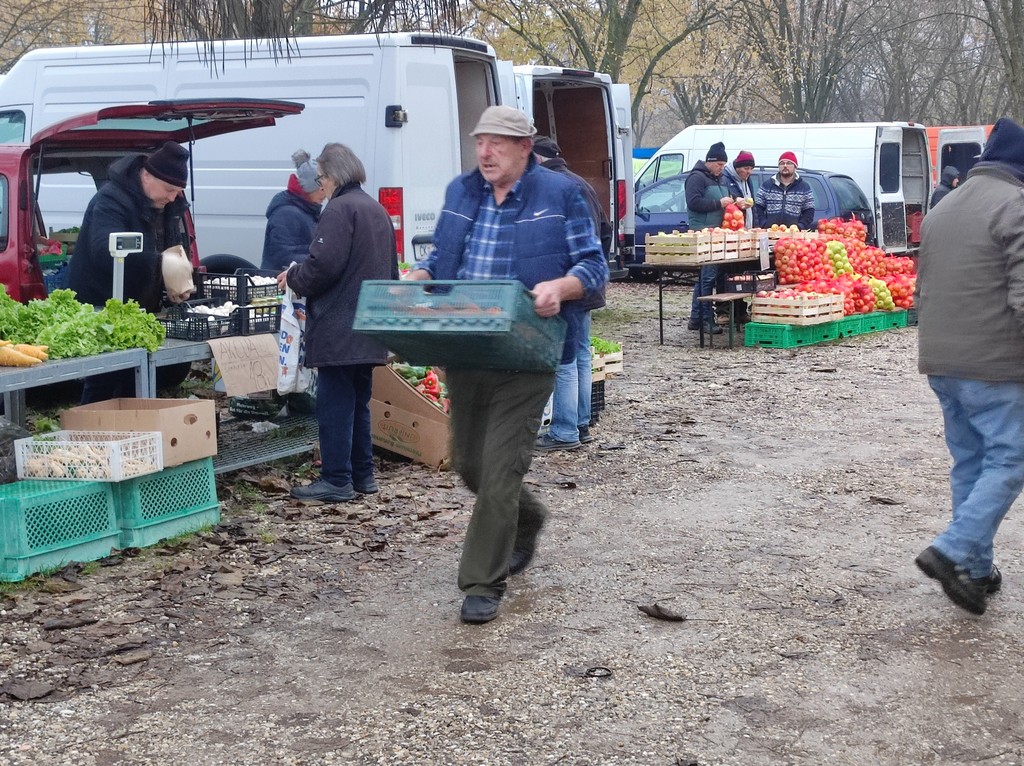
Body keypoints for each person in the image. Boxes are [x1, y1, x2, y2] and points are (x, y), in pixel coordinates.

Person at [407, 106, 608, 624]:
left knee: (499, 471)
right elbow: (443, 260)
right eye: (480, 142)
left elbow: (593, 266)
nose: (486, 152)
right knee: (470, 466)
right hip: (466, 348)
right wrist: (423, 272)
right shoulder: (460, 192)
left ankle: (481, 583)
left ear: (525, 147)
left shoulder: (560, 195)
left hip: (528, 350)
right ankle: (529, 515)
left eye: (497, 143)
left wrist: (561, 287)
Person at [913, 117, 1024, 616]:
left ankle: (975, 571)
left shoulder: (945, 205)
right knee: (1011, 458)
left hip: (941, 360)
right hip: (994, 363)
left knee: (972, 462)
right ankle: (954, 549)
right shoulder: (1016, 206)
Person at [279, 143, 398, 503]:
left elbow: (322, 267)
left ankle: (335, 479)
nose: (321, 186)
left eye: (322, 179)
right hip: (368, 326)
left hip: (339, 327)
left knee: (334, 406)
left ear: (333, 176)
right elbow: (390, 272)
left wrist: (294, 275)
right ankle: (363, 475)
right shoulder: (375, 209)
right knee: (358, 403)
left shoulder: (339, 210)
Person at [67, 140, 192, 403]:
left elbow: (173, 248)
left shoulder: (169, 205)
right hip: (101, 302)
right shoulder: (111, 199)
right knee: (103, 379)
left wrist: (173, 281)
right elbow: (104, 250)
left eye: (178, 191)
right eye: (169, 189)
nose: (172, 197)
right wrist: (160, 264)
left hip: (138, 306)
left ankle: (129, 435)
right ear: (147, 176)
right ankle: (89, 435)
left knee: (135, 380)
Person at [531, 135, 609, 451]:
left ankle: (564, 431)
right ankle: (579, 422)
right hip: (587, 284)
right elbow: (605, 230)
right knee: (580, 353)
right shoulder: (579, 183)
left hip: (569, 287)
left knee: (563, 357)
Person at [685, 142, 735, 335]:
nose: (721, 168)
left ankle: (696, 318)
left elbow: (725, 198)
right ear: (710, 161)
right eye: (719, 164)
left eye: (723, 165)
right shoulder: (696, 178)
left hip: (717, 234)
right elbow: (694, 202)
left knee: (706, 278)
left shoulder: (719, 179)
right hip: (702, 232)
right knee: (706, 278)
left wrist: (733, 202)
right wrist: (718, 203)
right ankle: (706, 319)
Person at [260, 150, 327, 272]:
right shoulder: (286, 214)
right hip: (281, 285)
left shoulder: (306, 210)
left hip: (293, 282)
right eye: (322, 189)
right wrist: (322, 260)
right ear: (309, 188)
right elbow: (283, 257)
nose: (326, 194)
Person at [753, 151, 815, 231]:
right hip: (770, 233)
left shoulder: (804, 187)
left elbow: (809, 212)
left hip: (793, 235)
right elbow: (757, 207)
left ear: (795, 167)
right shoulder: (767, 185)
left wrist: (800, 226)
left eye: (789, 163)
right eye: (782, 163)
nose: (785, 166)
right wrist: (764, 223)